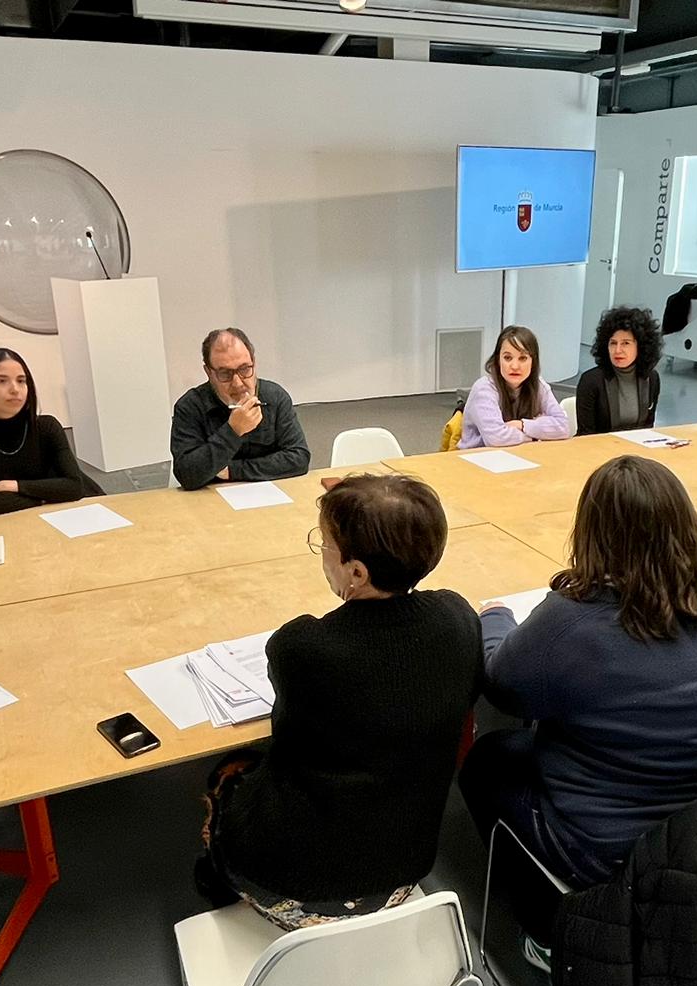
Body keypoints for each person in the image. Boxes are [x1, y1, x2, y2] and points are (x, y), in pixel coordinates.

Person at [459, 455, 697, 948]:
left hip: (619, 850)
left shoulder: (574, 621)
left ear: (591, 533)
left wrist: (495, 619)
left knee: (488, 761)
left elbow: (506, 688)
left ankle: (547, 929)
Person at [198, 474, 483, 930]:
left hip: (304, 887)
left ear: (356, 572)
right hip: (403, 873)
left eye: (324, 542)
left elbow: (286, 740)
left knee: (228, 773)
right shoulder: (459, 619)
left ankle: (223, 882)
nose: (321, 551)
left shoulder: (305, 647)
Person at [0, 347, 104, 514]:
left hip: (57, 516)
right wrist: (50, 496)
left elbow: (74, 487)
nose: (15, 389)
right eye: (1, 381)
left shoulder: (47, 427)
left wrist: (15, 486)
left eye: (21, 381)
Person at [169, 328, 311, 490]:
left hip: (268, 494)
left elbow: (299, 459)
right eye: (225, 374)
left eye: (244, 369)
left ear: (254, 363)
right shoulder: (190, 407)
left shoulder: (275, 397)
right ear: (209, 372)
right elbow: (187, 475)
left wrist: (232, 471)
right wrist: (233, 431)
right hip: (209, 501)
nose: (237, 382)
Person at [459, 325, 570, 448]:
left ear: (533, 362)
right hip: (477, 459)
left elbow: (563, 426)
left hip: (519, 455)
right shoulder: (484, 389)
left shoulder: (538, 385)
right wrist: (537, 434)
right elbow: (496, 438)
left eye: (523, 358)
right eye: (507, 358)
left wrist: (522, 425)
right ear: (498, 360)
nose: (515, 366)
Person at [574, 306, 664, 434]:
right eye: (613, 343)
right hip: (600, 449)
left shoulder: (651, 378)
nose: (617, 350)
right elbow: (585, 434)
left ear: (641, 346)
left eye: (626, 343)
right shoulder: (591, 381)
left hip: (636, 449)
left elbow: (648, 427)